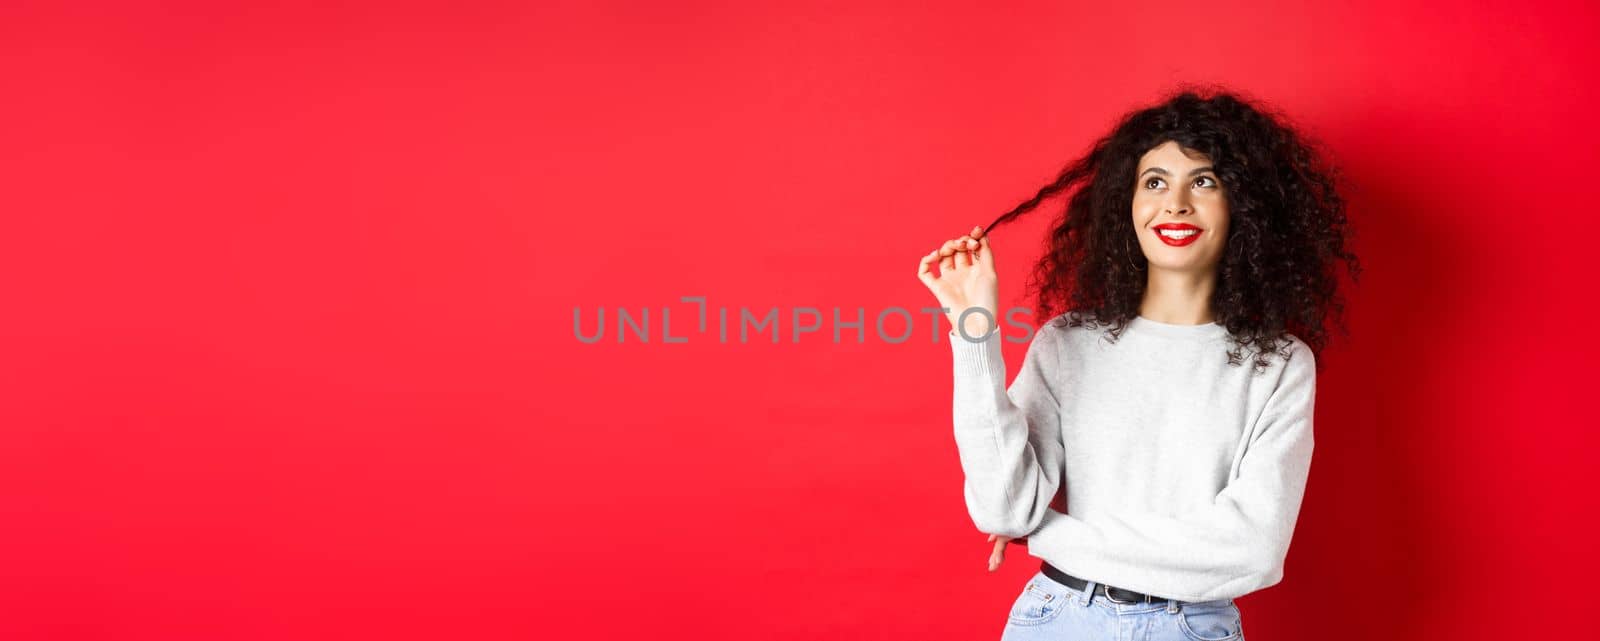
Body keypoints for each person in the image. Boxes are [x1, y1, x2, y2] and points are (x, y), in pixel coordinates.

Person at [915, 88, 1361, 640]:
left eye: (1203, 181)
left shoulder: (1278, 365)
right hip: (1057, 619)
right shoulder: (1066, 344)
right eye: (1155, 182)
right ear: (1126, 205)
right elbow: (1006, 508)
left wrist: (1050, 533)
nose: (1175, 203)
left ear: (1243, 205)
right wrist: (973, 329)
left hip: (1191, 627)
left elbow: (1252, 552)